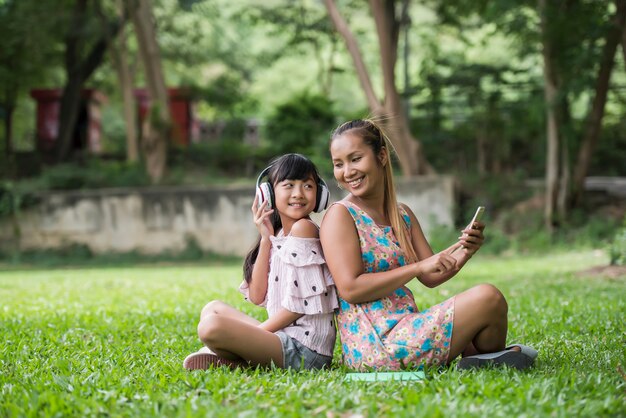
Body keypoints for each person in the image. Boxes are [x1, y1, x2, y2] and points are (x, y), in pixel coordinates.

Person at [320, 119, 537, 371]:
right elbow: (350, 288)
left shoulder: (402, 215)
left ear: (381, 156)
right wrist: (417, 268)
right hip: (376, 345)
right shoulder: (341, 215)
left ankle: (483, 360)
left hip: (406, 325)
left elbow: (431, 276)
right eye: (339, 164)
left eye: (355, 159)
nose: (347, 171)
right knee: (487, 297)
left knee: (490, 306)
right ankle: (488, 358)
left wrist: (464, 252)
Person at [183, 153, 338, 371]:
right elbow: (257, 296)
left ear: (319, 194)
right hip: (283, 339)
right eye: (289, 185)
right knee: (213, 309)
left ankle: (234, 356)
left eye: (308, 186)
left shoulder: (304, 229)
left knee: (211, 327)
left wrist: (257, 334)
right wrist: (266, 239)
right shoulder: (280, 234)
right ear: (269, 193)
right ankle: (238, 360)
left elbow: (299, 307)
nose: (298, 194)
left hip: (305, 352)